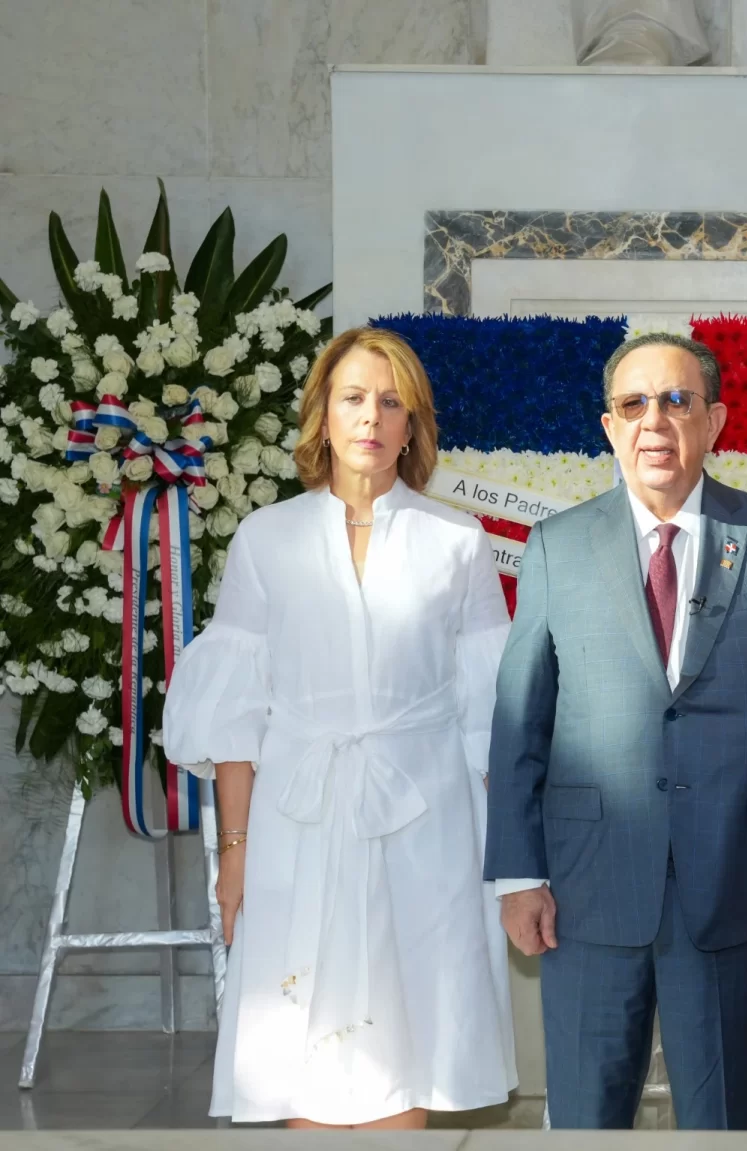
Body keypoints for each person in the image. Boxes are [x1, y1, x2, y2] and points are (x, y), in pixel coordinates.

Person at [484, 330, 747, 1130]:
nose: (656, 420)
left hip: (736, 889)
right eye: (634, 403)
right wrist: (516, 874)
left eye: (677, 401)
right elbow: (519, 724)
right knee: (583, 1117)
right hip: (586, 891)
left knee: (718, 1120)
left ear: (714, 421)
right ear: (609, 426)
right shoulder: (556, 546)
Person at [163, 327, 516, 1128]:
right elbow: (237, 718)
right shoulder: (267, 539)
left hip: (427, 819)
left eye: (392, 402)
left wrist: (517, 865)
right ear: (322, 414)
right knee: (300, 1050)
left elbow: (489, 717)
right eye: (354, 397)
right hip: (299, 820)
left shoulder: (458, 542)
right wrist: (236, 854)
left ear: (413, 424)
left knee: (412, 1043)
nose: (372, 416)